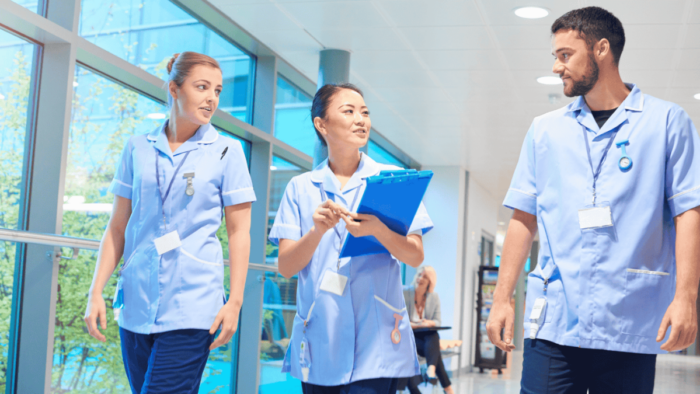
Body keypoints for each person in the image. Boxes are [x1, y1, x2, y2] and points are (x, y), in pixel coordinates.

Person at [486, 7, 700, 394]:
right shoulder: (545, 131)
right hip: (553, 319)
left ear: (601, 49)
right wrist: (502, 300)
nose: (556, 66)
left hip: (629, 319)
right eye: (555, 56)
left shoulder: (667, 122)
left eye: (565, 55)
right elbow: (523, 217)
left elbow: (689, 213)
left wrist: (686, 299)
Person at [83, 51, 256, 393]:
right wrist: (95, 290)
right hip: (135, 302)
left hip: (193, 303)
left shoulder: (227, 151)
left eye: (218, 91)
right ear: (174, 89)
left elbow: (239, 232)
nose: (212, 98)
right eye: (202, 87)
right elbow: (117, 227)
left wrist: (234, 302)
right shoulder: (137, 148)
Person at [269, 83, 433, 394]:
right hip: (321, 337)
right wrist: (317, 231)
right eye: (349, 111)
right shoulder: (301, 188)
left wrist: (379, 230)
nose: (361, 120)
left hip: (377, 342)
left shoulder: (393, 179)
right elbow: (287, 267)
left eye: (365, 112)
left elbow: (415, 256)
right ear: (322, 124)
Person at [402, 266, 454, 394]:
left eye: (425, 277)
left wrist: (427, 323)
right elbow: (402, 321)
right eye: (419, 275)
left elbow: (437, 321)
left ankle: (431, 371)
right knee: (435, 351)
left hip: (426, 338)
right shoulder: (406, 292)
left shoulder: (433, 297)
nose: (420, 278)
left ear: (430, 282)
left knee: (433, 336)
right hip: (410, 337)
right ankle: (445, 386)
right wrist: (420, 325)